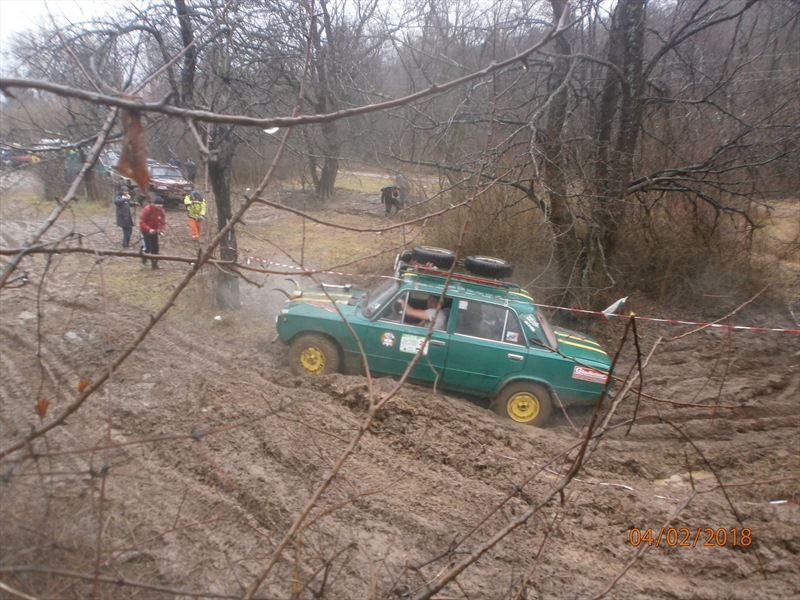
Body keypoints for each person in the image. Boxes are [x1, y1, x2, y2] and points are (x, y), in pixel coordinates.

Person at [139, 196, 166, 269]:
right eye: (158, 204)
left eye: (161, 204)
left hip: (154, 231)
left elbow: (162, 222)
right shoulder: (147, 209)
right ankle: (143, 261)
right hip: (145, 231)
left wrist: (161, 231)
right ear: (154, 204)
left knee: (155, 248)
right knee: (147, 247)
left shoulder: (162, 211)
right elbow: (142, 221)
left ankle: (154, 264)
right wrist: (148, 229)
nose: (159, 206)